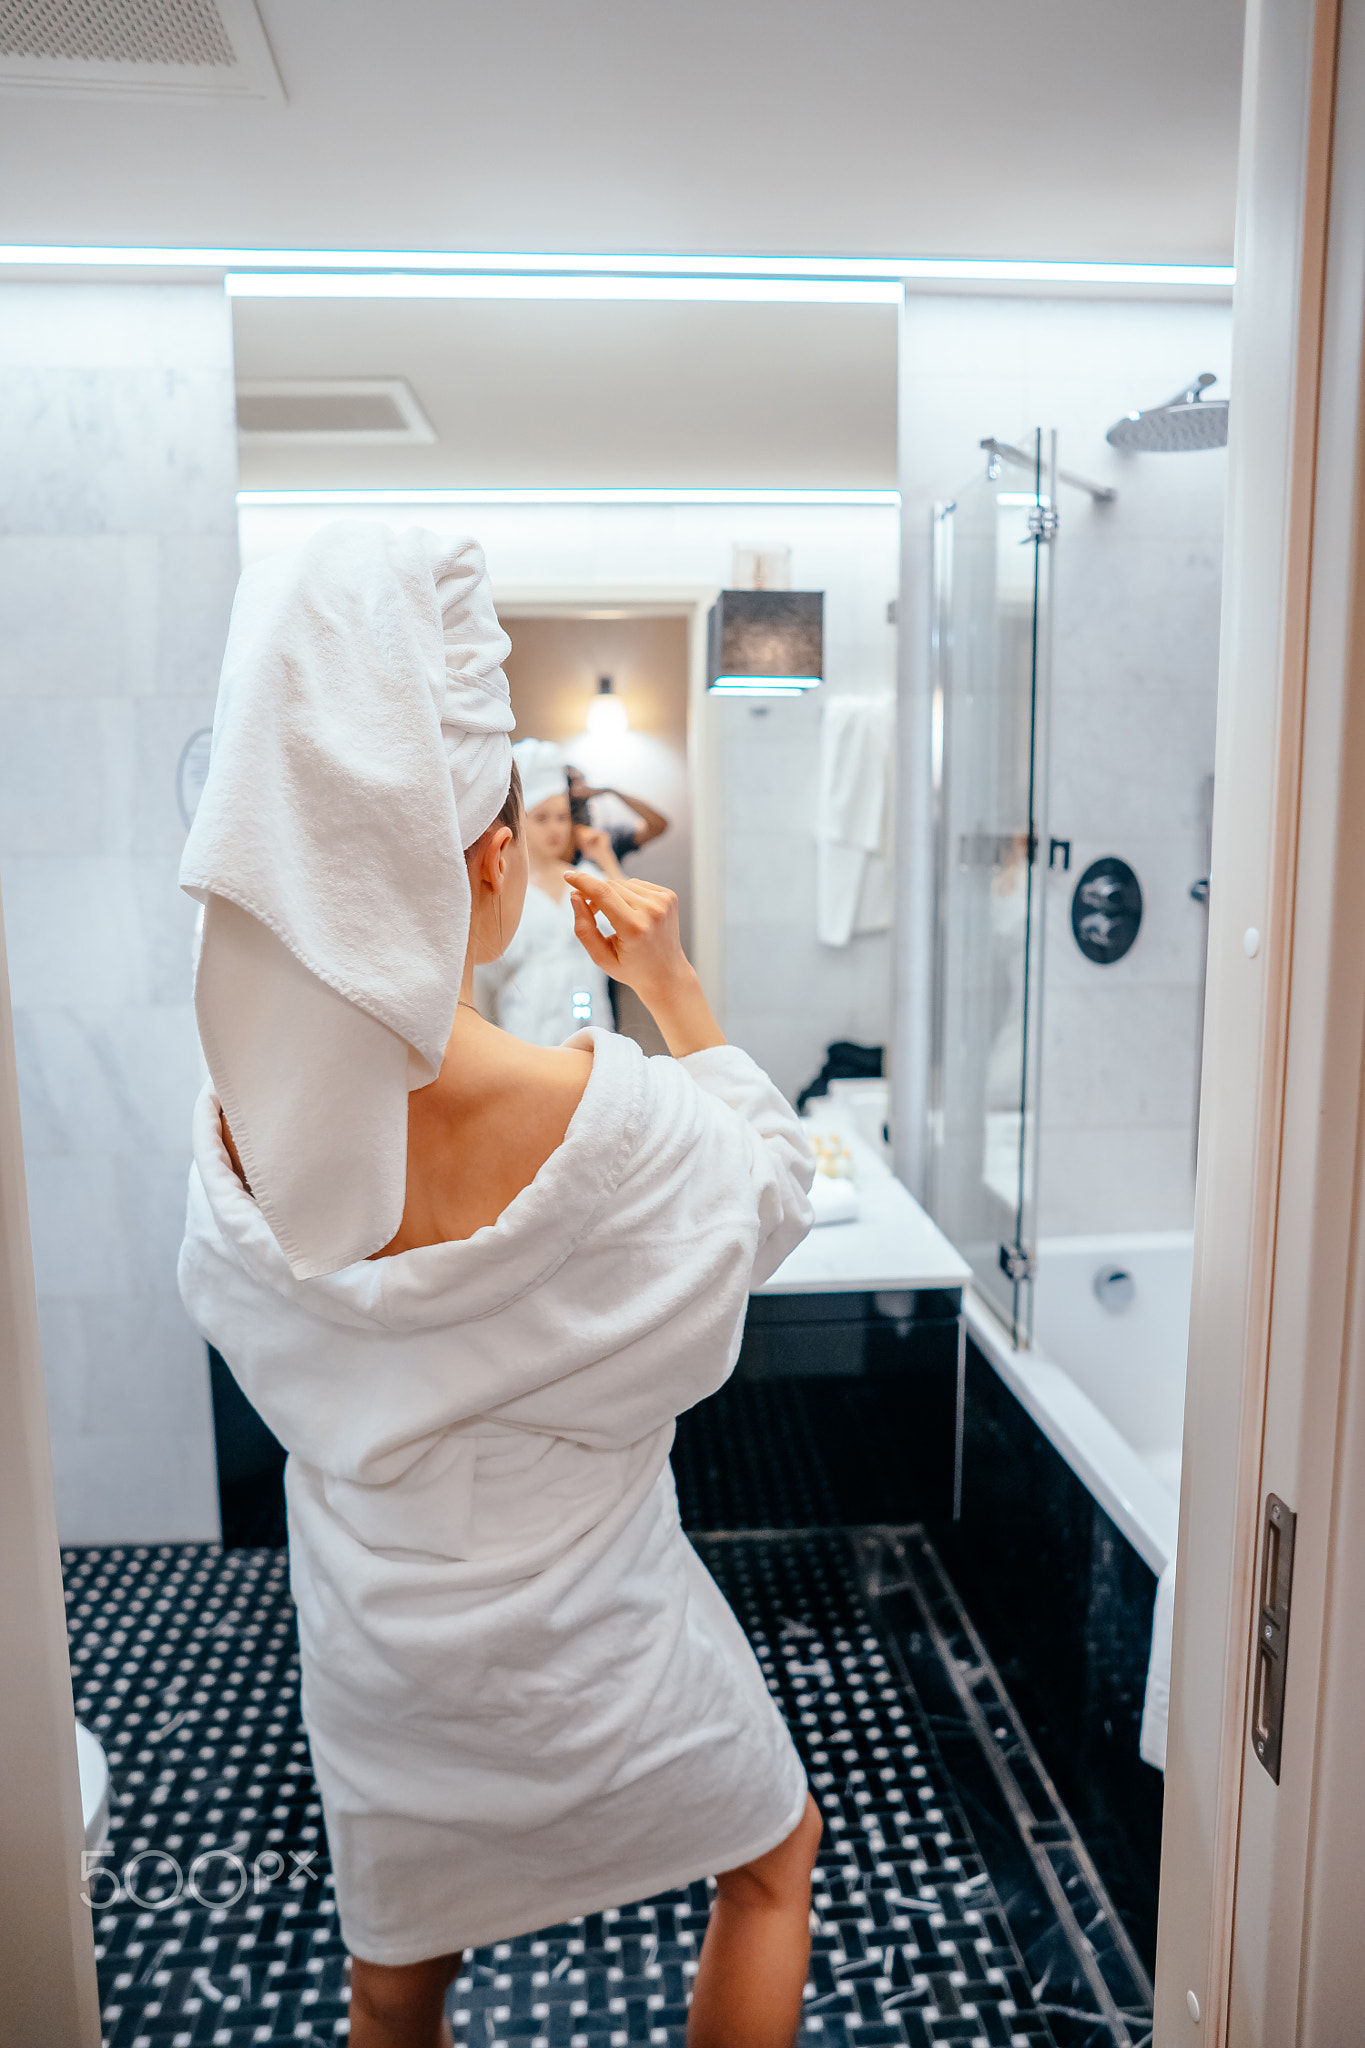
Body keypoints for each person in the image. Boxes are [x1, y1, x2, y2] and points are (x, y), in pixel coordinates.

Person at [177, 522, 821, 2048]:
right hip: (605, 1649)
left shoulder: (220, 1143)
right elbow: (771, 1193)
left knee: (397, 1986)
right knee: (771, 1867)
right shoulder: (619, 1126)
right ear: (487, 859)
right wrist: (674, 996)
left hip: (386, 1671)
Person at [474, 738, 620, 1043]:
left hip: (591, 1030)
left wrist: (605, 859)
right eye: (541, 818)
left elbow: (633, 929)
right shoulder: (502, 887)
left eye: (562, 817)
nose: (554, 828)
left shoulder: (587, 878)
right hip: (524, 1033)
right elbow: (483, 977)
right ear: (519, 822)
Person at [566, 760, 670, 864]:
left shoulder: (609, 835)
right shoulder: (555, 843)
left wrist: (613, 792)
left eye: (584, 802)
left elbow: (658, 826)